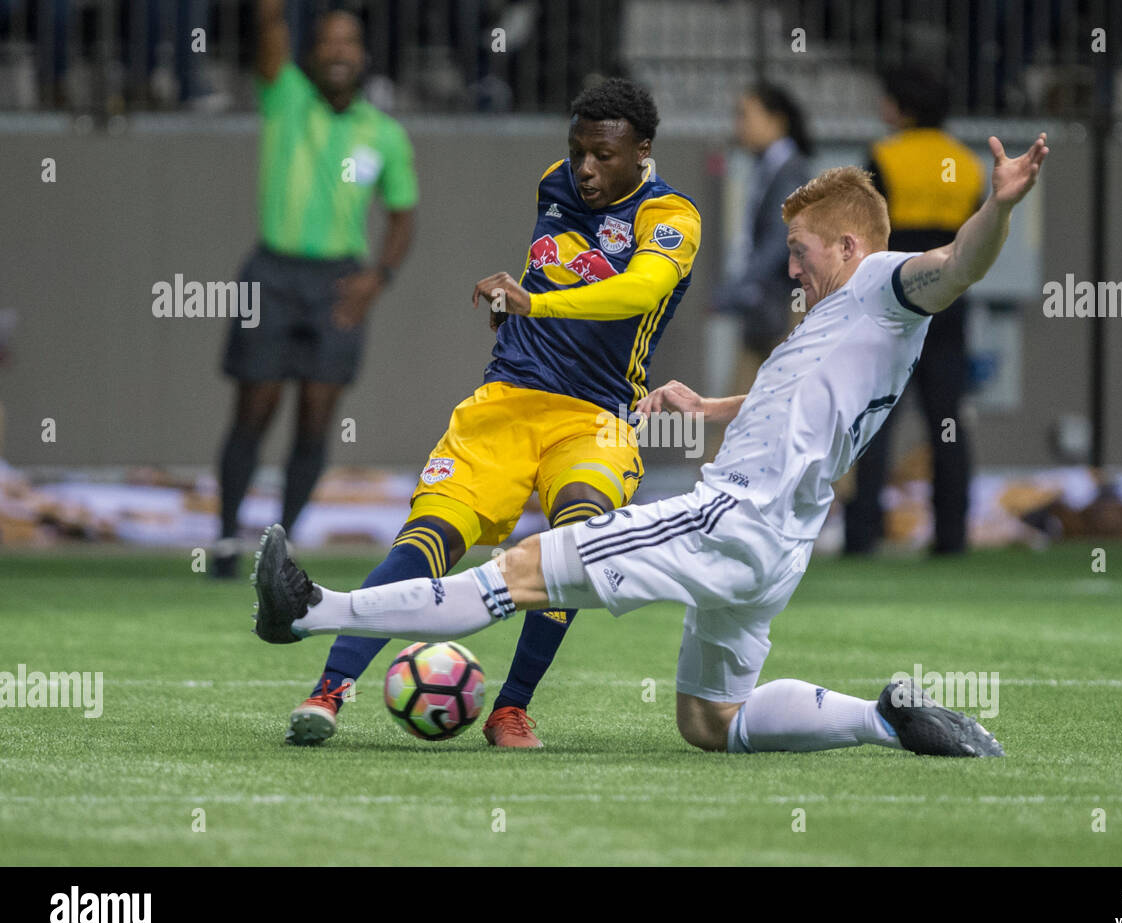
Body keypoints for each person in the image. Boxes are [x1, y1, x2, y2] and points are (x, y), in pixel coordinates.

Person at [253, 133, 1047, 758]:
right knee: (713, 723)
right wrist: (712, 406)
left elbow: (955, 266)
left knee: (518, 574)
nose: (792, 270)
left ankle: (310, 611)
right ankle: (882, 720)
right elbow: (805, 401)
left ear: (848, 247)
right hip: (779, 550)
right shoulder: (846, 328)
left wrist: (998, 211)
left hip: (727, 519)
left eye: (802, 252)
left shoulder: (881, 282)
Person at [285, 77, 703, 750]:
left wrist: (533, 305)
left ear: (643, 152)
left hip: (594, 417)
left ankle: (511, 708)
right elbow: (551, 270)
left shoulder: (672, 217)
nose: (586, 169)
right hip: (507, 399)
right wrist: (522, 304)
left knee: (576, 541)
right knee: (430, 538)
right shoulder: (554, 184)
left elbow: (639, 290)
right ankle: (329, 691)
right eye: (578, 152)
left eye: (603, 155)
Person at [213, 0, 416, 577]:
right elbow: (271, 31)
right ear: (310, 54)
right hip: (272, 272)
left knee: (317, 416)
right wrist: (272, 14)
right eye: (327, 42)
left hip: (338, 284)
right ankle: (227, 541)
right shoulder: (286, 97)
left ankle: (281, 545)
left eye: (348, 43)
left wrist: (379, 277)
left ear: (364, 57)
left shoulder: (385, 134)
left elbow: (403, 215)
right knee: (254, 407)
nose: (337, 52)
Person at [844, 64, 985, 556]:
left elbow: (867, 232)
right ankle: (952, 538)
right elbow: (977, 238)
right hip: (950, 299)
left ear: (902, 108)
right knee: (947, 421)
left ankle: (862, 536)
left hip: (894, 299)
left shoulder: (885, 155)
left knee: (875, 418)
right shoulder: (967, 163)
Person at [712, 83, 812, 395]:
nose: (738, 125)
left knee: (767, 407)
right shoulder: (768, 167)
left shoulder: (790, 171)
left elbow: (781, 238)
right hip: (766, 308)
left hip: (783, 309)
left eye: (745, 115)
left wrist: (741, 284)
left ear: (776, 120)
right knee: (745, 408)